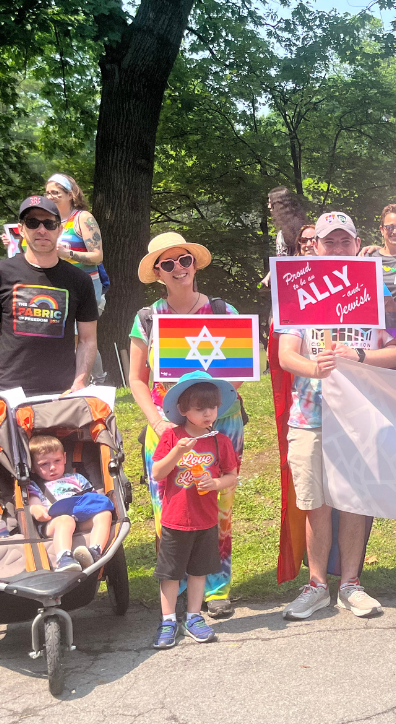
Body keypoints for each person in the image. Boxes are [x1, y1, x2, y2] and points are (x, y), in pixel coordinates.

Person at [277, 212, 396, 620]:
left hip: (359, 418)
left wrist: (360, 355)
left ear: (356, 245)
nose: (336, 248)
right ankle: (317, 585)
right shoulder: (297, 289)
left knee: (354, 501)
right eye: (328, 241)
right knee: (315, 504)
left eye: (344, 241)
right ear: (314, 246)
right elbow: (285, 355)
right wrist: (313, 368)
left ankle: (350, 584)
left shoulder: (375, 291)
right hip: (310, 416)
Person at [128, 231, 246, 618]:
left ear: (194, 264)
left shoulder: (223, 311)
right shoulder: (147, 319)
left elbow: (241, 368)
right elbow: (136, 379)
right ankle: (174, 586)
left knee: (219, 505)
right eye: (168, 263)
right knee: (168, 507)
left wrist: (210, 407)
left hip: (220, 425)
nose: (178, 268)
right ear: (157, 273)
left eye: (184, 260)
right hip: (166, 429)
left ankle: (216, 587)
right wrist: (159, 423)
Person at [150, 372, 240, 648]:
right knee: (170, 573)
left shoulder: (220, 441)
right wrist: (177, 452)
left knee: (199, 571)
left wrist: (215, 483)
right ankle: (168, 620)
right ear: (183, 409)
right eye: (200, 408)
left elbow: (231, 476)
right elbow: (157, 472)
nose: (208, 413)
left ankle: (193, 617)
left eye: (212, 407)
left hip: (206, 519)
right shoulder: (172, 436)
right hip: (175, 519)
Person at [0, 196, 97, 396]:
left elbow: (87, 340)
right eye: (33, 223)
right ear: (21, 229)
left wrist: (79, 383)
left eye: (49, 224)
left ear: (60, 229)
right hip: (8, 392)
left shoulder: (79, 280)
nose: (42, 230)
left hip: (62, 393)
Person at [42, 173, 108, 384]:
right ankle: (92, 380)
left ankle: (90, 381)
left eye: (56, 192)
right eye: (47, 193)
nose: (50, 196)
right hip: (59, 286)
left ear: (70, 195)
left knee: (79, 336)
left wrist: (68, 254)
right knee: (71, 337)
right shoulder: (49, 221)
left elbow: (97, 256)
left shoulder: (82, 218)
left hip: (86, 286)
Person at [26, 434, 115, 573]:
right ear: (33, 467)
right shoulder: (35, 486)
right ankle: (64, 559)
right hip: (53, 523)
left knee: (105, 514)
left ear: (64, 458)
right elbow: (34, 505)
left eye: (57, 461)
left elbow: (93, 498)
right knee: (65, 520)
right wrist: (37, 510)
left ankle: (94, 552)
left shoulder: (77, 478)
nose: (52, 467)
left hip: (80, 517)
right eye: (44, 464)